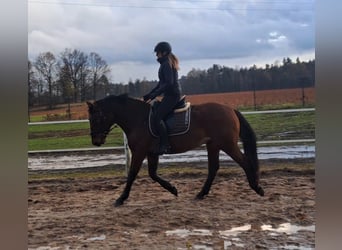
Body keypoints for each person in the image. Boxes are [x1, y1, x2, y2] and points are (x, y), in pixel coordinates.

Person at [143, 41, 182, 155]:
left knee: (157, 117)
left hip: (172, 95)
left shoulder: (166, 64)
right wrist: (150, 94)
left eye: (158, 53)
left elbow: (168, 83)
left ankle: (165, 144)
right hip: (170, 95)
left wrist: (154, 95)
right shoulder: (165, 63)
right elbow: (161, 83)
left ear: (164, 53)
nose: (156, 55)